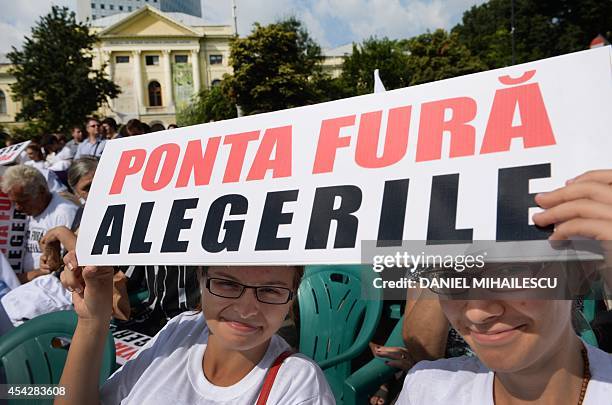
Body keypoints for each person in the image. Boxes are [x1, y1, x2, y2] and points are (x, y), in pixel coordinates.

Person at [396, 169, 612, 405]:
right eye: (451, 276)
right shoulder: (426, 391)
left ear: (579, 273)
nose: (477, 313)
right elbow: (420, 337)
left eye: (510, 272)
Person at [56, 264, 335, 404]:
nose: (247, 309)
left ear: (291, 301)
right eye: (226, 283)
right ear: (201, 281)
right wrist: (92, 320)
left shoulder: (298, 384)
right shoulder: (180, 331)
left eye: (271, 290)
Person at [0, 165, 78, 283]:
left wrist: (39, 271)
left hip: (51, 287)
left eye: (23, 201)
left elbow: (69, 262)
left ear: (41, 191)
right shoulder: (29, 211)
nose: (18, 208)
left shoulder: (64, 213)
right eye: (14, 202)